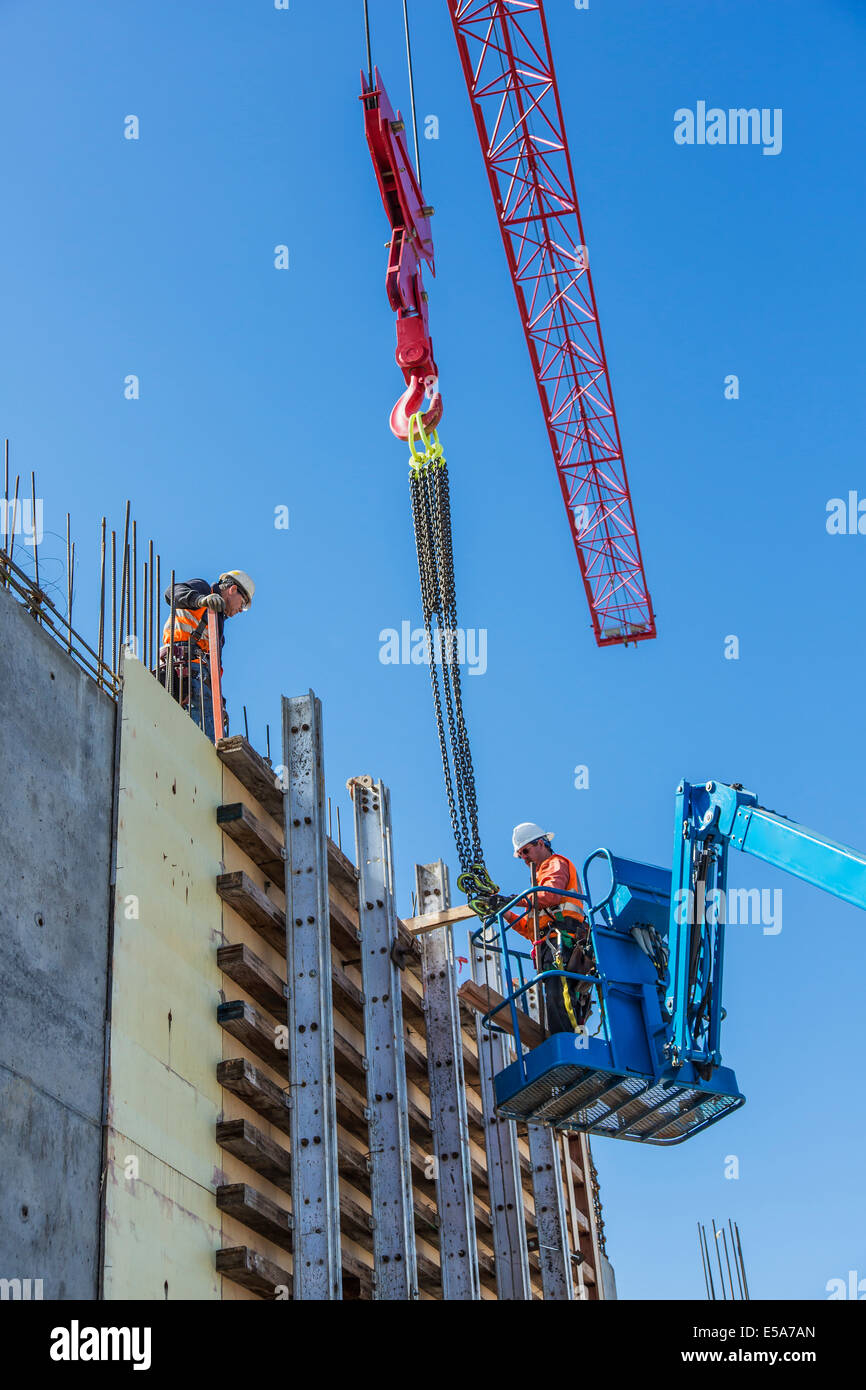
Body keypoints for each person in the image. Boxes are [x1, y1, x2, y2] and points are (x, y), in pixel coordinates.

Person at [507, 822, 595, 1035]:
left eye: (525, 851)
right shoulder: (536, 887)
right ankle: (564, 1040)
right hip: (550, 942)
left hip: (563, 938)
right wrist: (504, 912)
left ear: (541, 843)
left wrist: (513, 901)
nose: (525, 859)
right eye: (521, 856)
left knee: (560, 993)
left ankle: (567, 1043)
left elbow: (550, 895)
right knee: (556, 995)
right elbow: (530, 930)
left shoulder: (555, 863)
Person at [159, 569, 255, 741]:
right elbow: (171, 593)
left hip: (200, 678)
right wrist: (200, 600)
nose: (241, 610)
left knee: (209, 730)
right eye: (243, 603)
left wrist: (220, 703)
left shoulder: (218, 627)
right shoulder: (203, 589)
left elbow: (214, 668)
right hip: (181, 668)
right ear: (233, 590)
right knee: (206, 738)